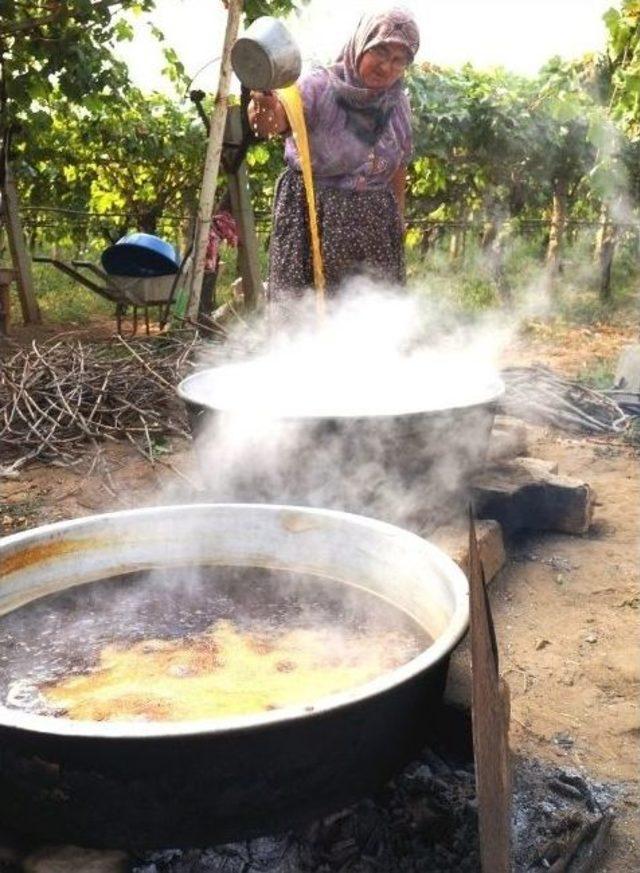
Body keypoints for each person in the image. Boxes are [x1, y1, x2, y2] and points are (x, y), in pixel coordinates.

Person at [248, 6, 419, 311]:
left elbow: (399, 164)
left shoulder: (396, 102)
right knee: (306, 314)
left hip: (374, 225)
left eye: (399, 60)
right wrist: (263, 104)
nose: (387, 67)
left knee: (370, 315)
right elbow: (275, 121)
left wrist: (399, 218)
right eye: (379, 51)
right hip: (314, 217)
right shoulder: (319, 87)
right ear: (360, 44)